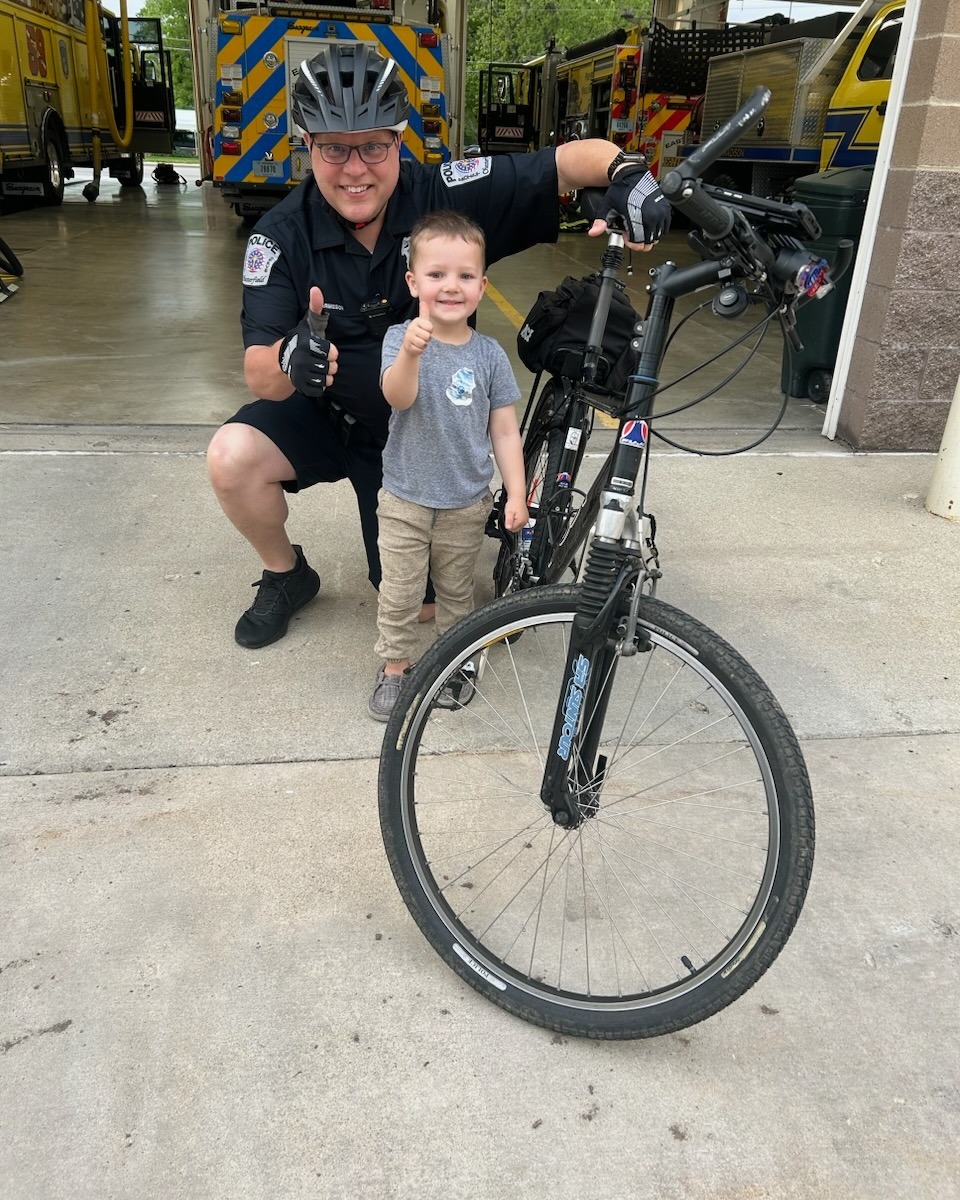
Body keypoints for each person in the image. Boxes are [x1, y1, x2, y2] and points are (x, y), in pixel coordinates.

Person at [206, 41, 671, 650]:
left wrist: (628, 175)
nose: (355, 169)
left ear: (399, 141)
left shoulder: (443, 195)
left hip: (416, 443)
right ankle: (286, 574)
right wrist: (294, 359)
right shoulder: (279, 235)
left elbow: (563, 163)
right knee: (231, 457)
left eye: (374, 145)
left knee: (419, 608)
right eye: (334, 148)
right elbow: (258, 374)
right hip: (327, 413)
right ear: (308, 147)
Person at [369, 211, 527, 721]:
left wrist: (518, 493)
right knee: (401, 590)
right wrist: (412, 353)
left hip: (465, 500)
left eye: (464, 276)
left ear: (482, 286)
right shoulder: (400, 338)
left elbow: (504, 431)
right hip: (405, 496)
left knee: (458, 590)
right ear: (414, 282)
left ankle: (456, 660)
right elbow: (397, 395)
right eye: (436, 275)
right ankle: (395, 665)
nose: (450, 287)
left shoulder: (490, 356)